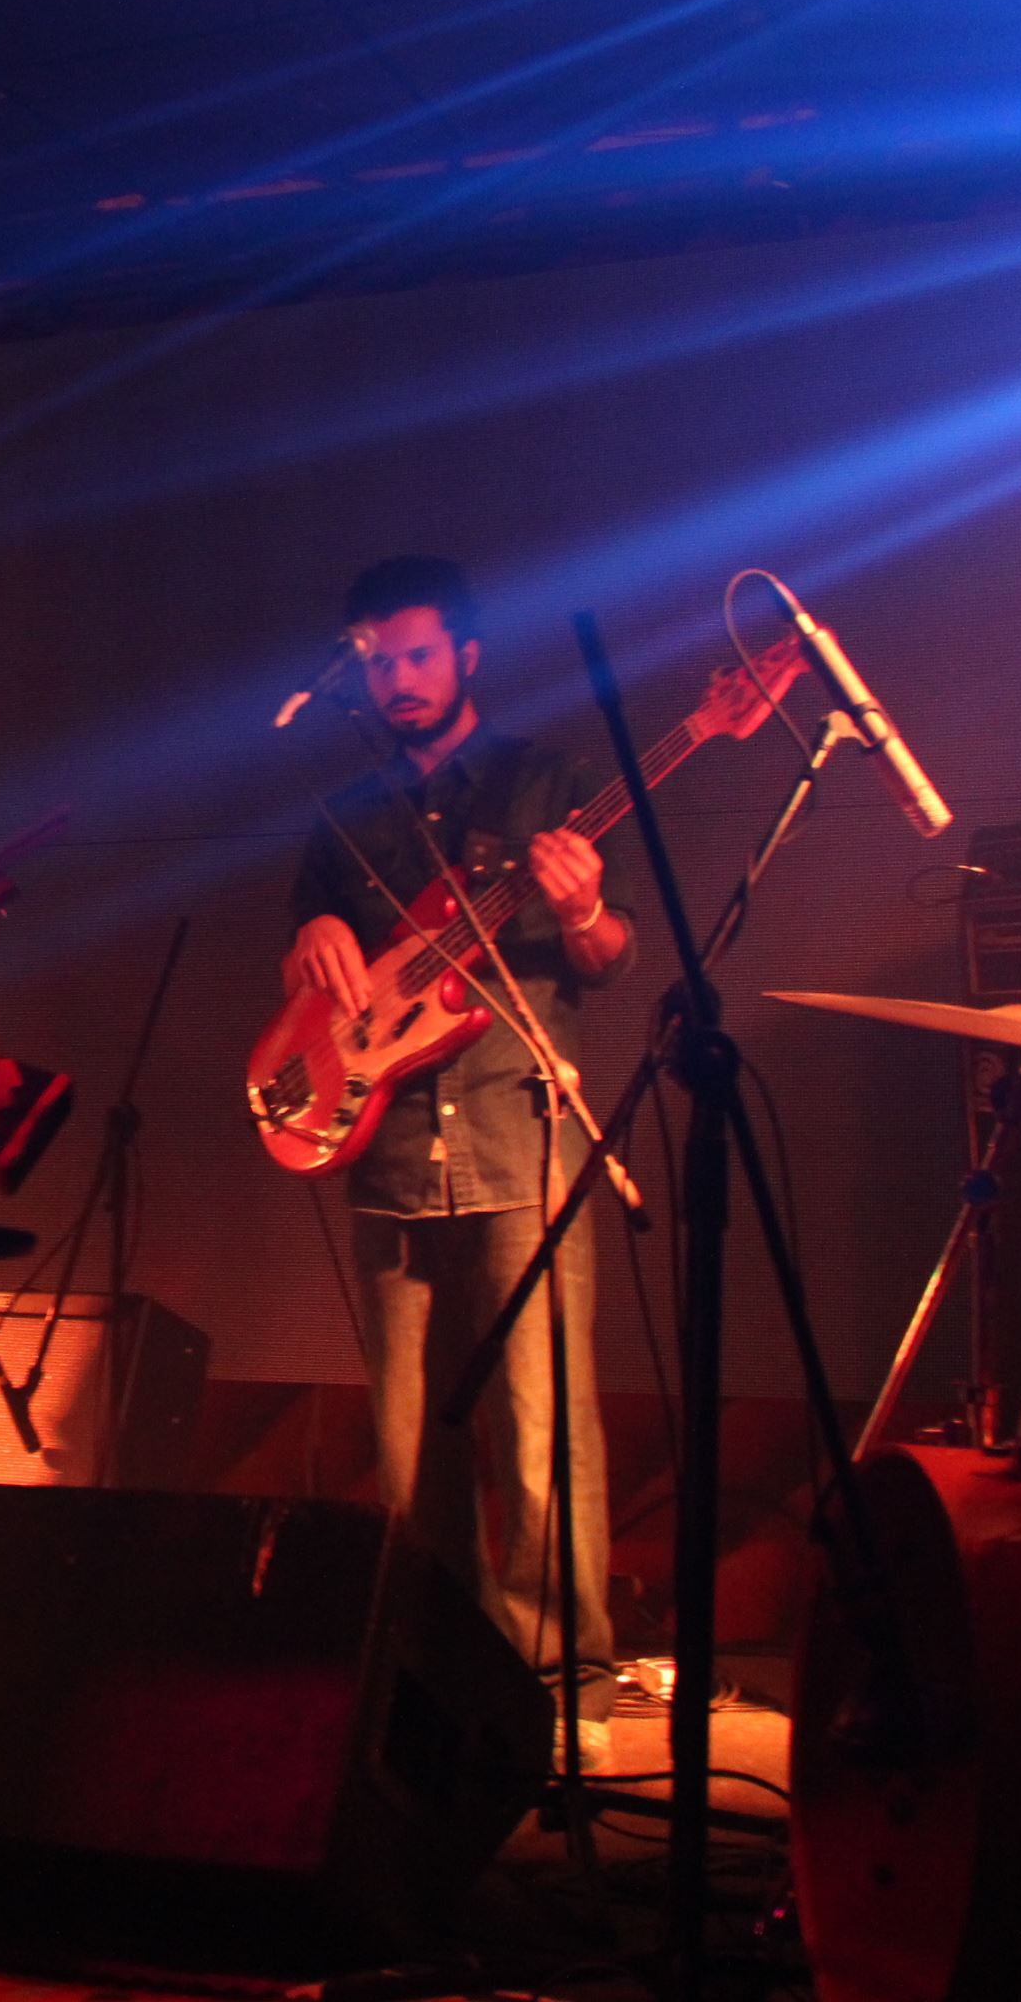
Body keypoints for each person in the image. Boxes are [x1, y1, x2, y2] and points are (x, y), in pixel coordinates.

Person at [283, 555, 628, 1756]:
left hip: (517, 1132)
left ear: (468, 656)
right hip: (386, 1149)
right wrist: (313, 934)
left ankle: (564, 1685)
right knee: (408, 1444)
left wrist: (581, 912)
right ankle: (440, 1678)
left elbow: (607, 958)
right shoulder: (342, 814)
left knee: (541, 1426)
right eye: (378, 663)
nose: (398, 680)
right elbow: (305, 980)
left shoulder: (549, 780)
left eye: (419, 655)